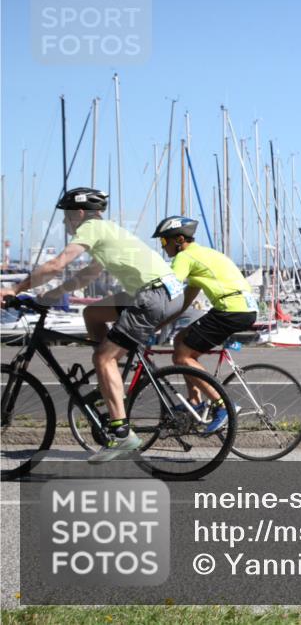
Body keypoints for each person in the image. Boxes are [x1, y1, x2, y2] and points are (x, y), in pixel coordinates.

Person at [0, 188, 185, 462]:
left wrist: (15, 288)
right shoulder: (108, 230)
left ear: (80, 213)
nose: (65, 223)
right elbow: (88, 275)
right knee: (92, 314)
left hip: (152, 295)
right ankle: (110, 383)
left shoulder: (91, 228)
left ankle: (122, 434)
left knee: (102, 357)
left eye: (67, 216)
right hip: (164, 292)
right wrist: (49, 296)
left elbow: (56, 264)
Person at [153, 216, 257, 432]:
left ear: (179, 239)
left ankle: (223, 406)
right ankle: (194, 401)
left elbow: (169, 289)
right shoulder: (204, 254)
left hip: (230, 309)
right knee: (181, 340)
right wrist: (162, 323)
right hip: (244, 308)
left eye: (164, 242)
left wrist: (145, 314)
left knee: (182, 357)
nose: (163, 247)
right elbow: (184, 301)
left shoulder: (184, 258)